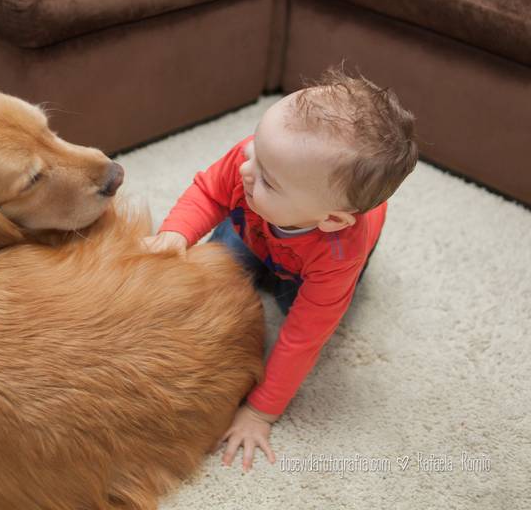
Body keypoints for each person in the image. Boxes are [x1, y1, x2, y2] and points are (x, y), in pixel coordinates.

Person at [142, 66, 418, 472]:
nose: (244, 168)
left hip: (308, 269)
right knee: (210, 280)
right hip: (251, 232)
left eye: (268, 181)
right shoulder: (255, 160)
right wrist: (175, 233)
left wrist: (259, 413)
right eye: (254, 146)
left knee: (303, 316)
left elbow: (301, 340)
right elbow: (209, 191)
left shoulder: (338, 251)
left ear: (332, 219)